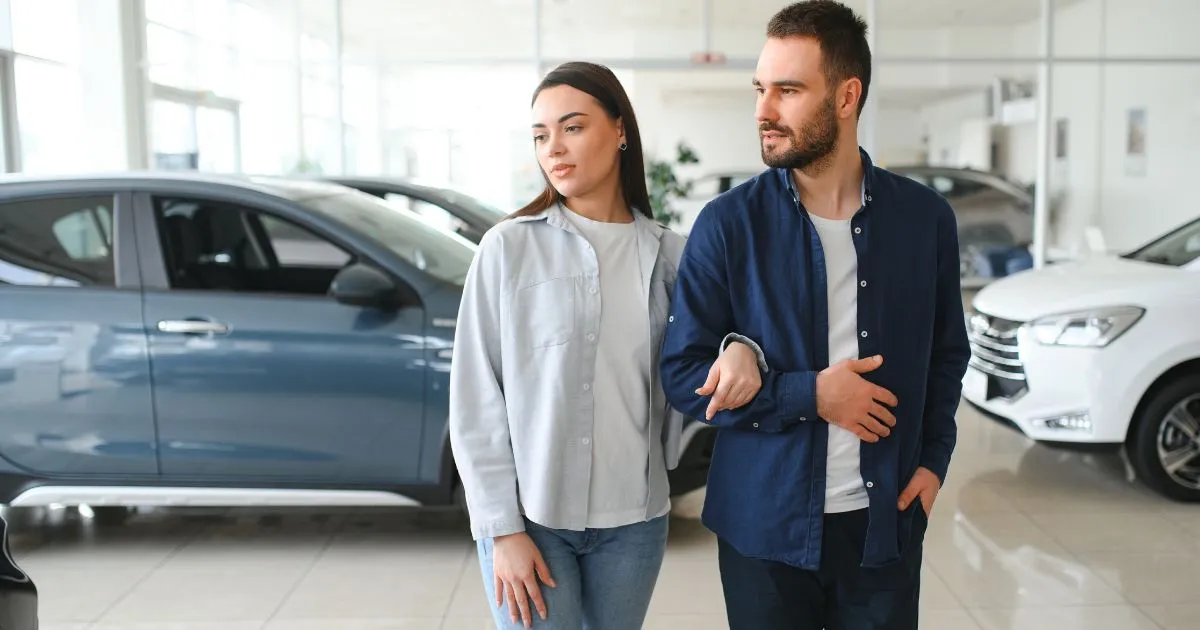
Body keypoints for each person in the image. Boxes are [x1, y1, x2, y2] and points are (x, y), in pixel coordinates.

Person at [659, 2, 972, 629]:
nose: (763, 110)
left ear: (847, 95)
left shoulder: (923, 220)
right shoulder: (727, 225)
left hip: (883, 527)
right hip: (762, 533)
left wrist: (934, 463)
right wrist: (810, 395)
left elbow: (946, 354)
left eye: (788, 90)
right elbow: (682, 376)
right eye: (759, 88)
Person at [448, 61, 757, 630]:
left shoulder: (672, 255)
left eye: (572, 127)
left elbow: (730, 337)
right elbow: (475, 400)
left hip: (634, 523)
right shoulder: (507, 249)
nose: (554, 148)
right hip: (532, 520)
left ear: (620, 131)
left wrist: (740, 348)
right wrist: (503, 529)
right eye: (541, 135)